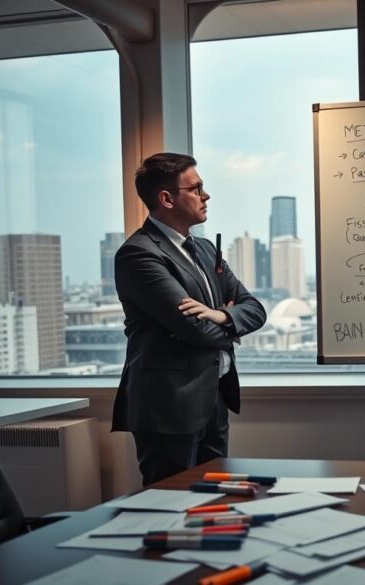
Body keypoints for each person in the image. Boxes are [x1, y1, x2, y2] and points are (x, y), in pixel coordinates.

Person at [112, 153, 266, 486]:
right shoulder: (139, 254)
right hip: (168, 406)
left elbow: (255, 309)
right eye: (195, 189)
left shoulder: (207, 249)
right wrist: (231, 325)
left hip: (213, 397)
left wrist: (220, 314)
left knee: (214, 497)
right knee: (171, 501)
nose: (205, 195)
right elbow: (195, 328)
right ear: (166, 199)